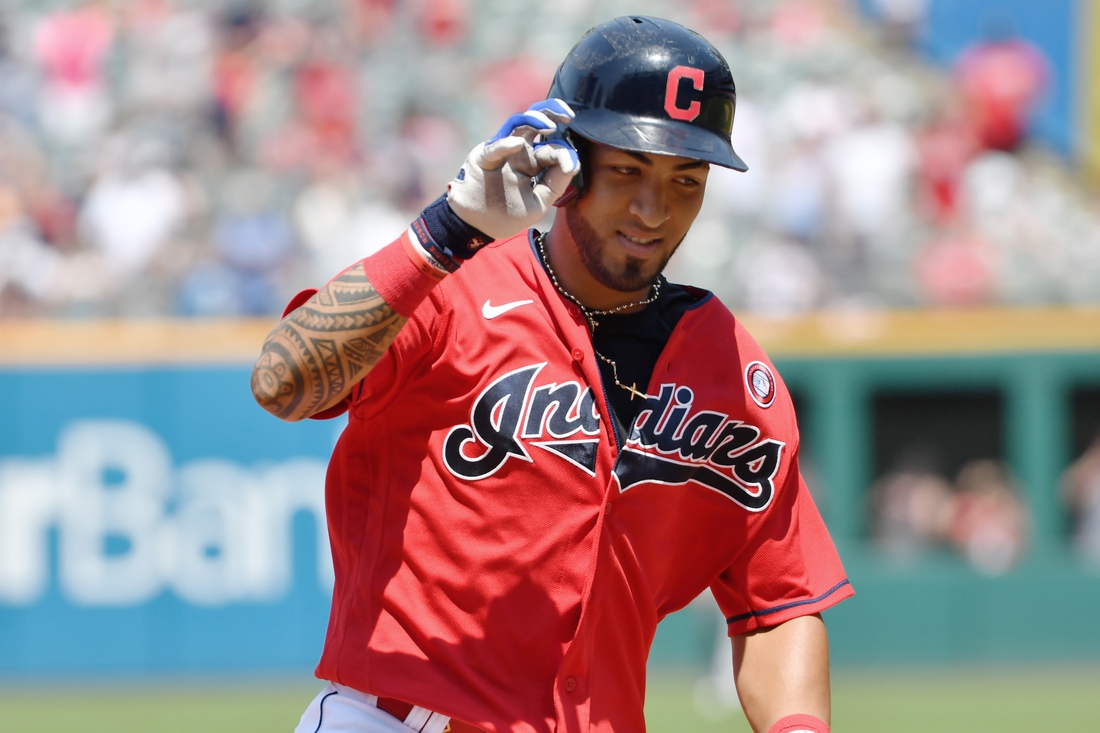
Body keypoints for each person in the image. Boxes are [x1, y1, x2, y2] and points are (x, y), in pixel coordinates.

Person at [251, 16, 852, 733]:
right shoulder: (451, 287)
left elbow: (778, 600)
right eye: (629, 170)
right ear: (566, 160)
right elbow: (282, 379)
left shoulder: (730, 365)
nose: (653, 209)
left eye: (685, 180)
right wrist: (446, 230)